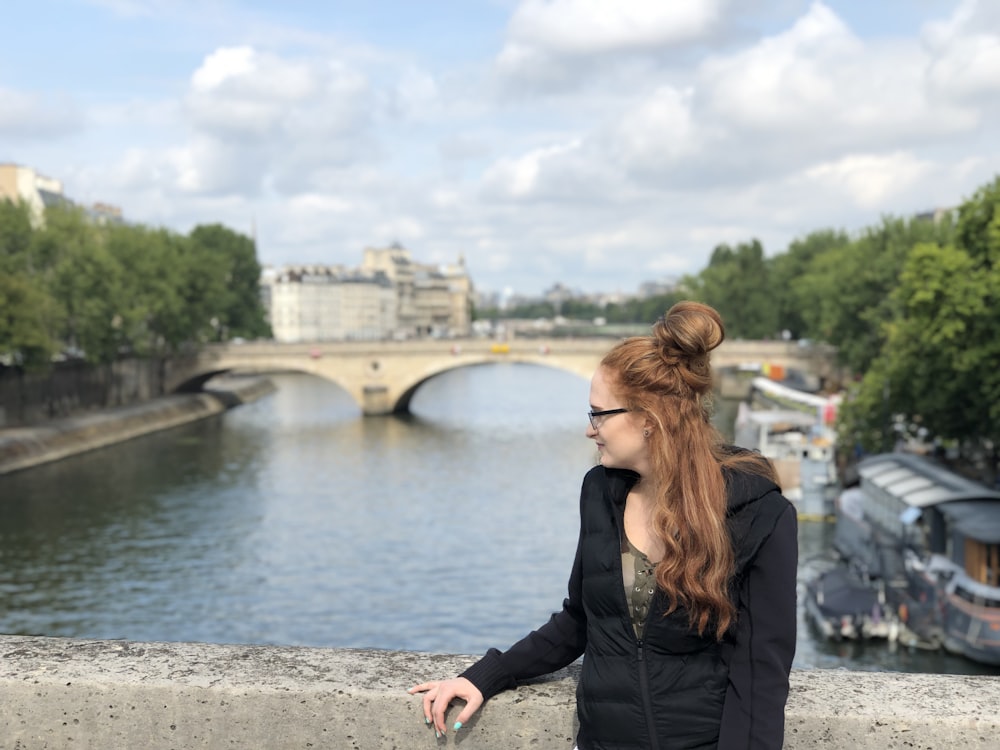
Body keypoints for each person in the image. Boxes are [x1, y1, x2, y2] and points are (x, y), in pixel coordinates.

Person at [409, 301, 797, 749]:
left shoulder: (759, 515)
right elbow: (581, 619)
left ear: (650, 421)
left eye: (599, 413)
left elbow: (761, 676)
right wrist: (487, 675)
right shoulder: (600, 493)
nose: (589, 429)